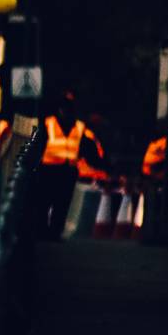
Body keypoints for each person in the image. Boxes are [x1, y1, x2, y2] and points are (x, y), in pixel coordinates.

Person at [38, 92, 104, 240]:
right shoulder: (48, 124)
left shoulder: (79, 127)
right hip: (48, 170)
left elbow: (87, 148)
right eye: (64, 108)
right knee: (45, 202)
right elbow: (39, 145)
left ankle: (55, 233)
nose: (66, 112)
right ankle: (42, 231)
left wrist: (100, 164)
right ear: (59, 109)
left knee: (62, 203)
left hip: (68, 171)